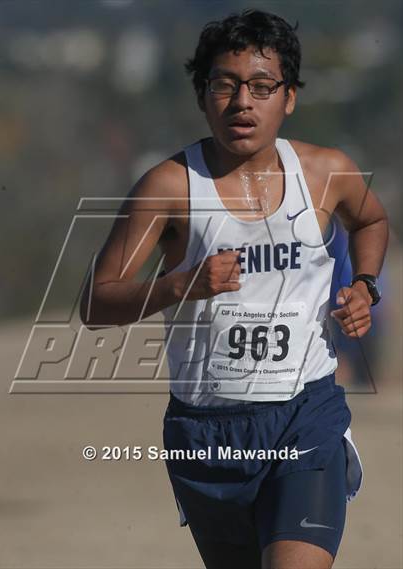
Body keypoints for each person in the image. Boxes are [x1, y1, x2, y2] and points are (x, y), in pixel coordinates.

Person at [80, 9, 389, 569]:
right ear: (202, 96)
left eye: (262, 86)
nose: (242, 102)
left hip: (305, 414)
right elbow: (97, 301)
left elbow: (371, 221)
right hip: (207, 430)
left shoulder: (325, 173)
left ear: (288, 97)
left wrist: (365, 285)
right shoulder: (170, 187)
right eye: (224, 85)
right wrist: (181, 285)